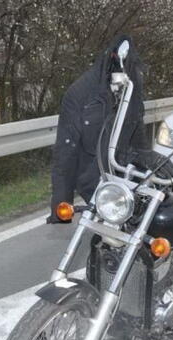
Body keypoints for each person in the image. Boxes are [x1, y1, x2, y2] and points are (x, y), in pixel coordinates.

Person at [47, 34, 147, 223]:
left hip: (126, 171)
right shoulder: (81, 93)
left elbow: (137, 130)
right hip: (93, 176)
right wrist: (61, 204)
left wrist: (146, 161)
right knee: (109, 226)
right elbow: (66, 150)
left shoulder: (132, 85)